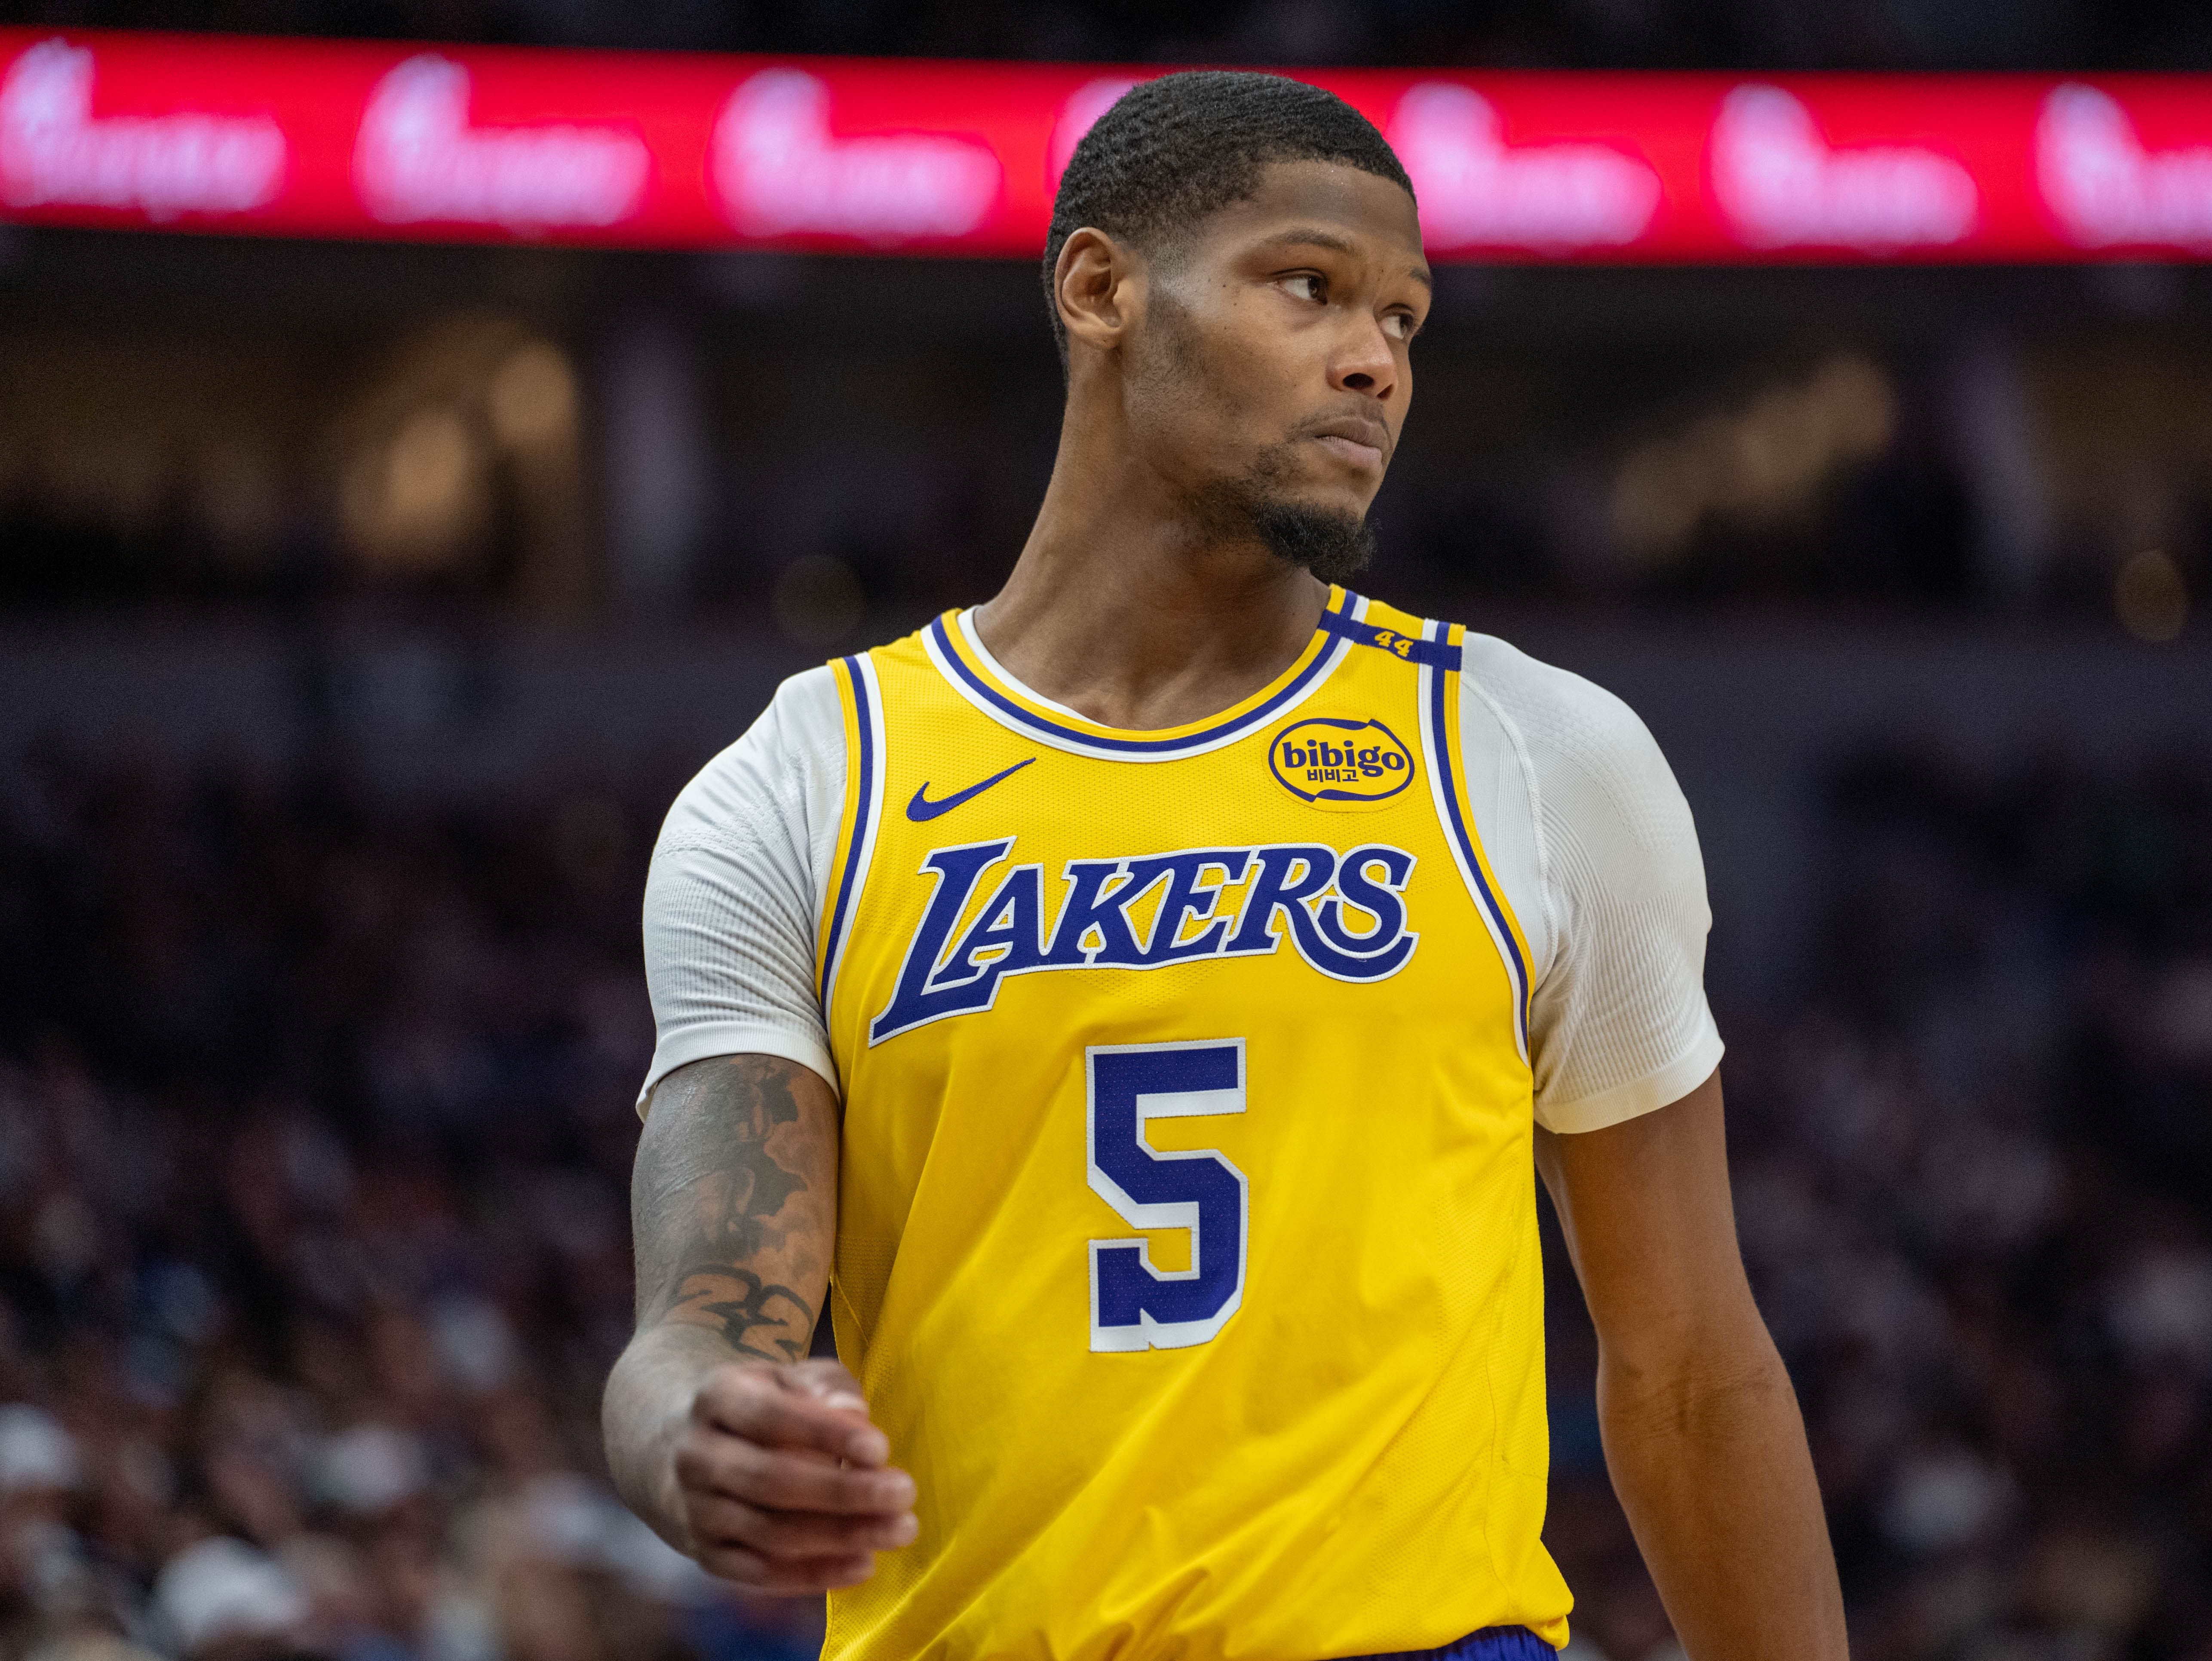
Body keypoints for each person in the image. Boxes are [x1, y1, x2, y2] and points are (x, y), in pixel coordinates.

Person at [604, 70, 1847, 1661]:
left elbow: (1687, 1365)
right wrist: (694, 1437)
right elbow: (701, 1330)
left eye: (1404, 320)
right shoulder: (801, 787)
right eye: (1310, 287)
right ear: (1100, 288)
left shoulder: (1536, 756)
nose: (1372, 363)